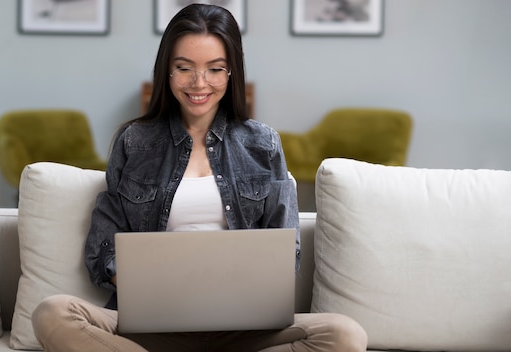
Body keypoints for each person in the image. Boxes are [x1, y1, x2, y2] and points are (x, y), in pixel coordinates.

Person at [31, 4, 367, 352]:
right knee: (52, 312)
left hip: (244, 327)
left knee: (345, 334)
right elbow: (102, 251)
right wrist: (150, 286)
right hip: (151, 328)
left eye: (215, 69)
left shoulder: (263, 144)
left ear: (232, 72)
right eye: (184, 68)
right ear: (167, 72)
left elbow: (287, 252)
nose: (199, 83)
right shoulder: (134, 142)